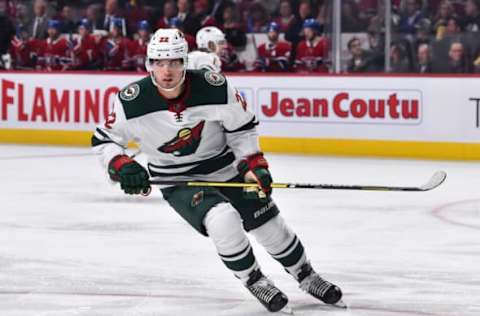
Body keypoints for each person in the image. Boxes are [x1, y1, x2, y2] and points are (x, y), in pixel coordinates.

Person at [91, 28, 344, 313]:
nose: (166, 70)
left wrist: (253, 165)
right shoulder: (131, 100)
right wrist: (121, 165)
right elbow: (104, 140)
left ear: (185, 62)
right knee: (222, 219)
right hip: (179, 180)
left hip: (224, 167)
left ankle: (306, 275)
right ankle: (254, 279)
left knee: (268, 223)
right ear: (149, 64)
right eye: (159, 63)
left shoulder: (215, 87)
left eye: (174, 62)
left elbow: (242, 128)